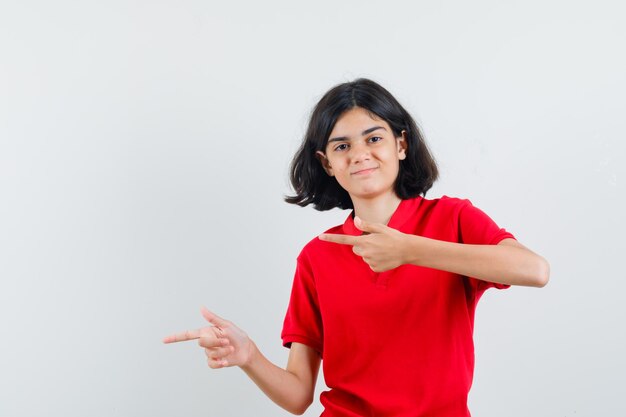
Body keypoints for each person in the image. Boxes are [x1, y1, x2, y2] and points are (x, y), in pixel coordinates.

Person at [163, 78, 550, 416]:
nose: (360, 154)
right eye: (342, 146)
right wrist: (249, 357)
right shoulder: (317, 256)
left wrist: (410, 250)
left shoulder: (452, 219)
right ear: (327, 163)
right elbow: (298, 395)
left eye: (374, 138)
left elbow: (533, 270)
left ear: (401, 144)